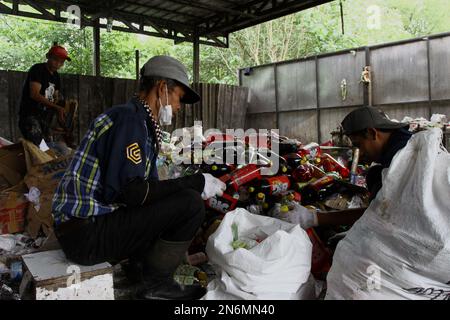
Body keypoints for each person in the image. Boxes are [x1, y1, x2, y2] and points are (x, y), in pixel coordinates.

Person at [52, 55, 226, 300]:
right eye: (178, 98)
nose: (178, 107)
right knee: (190, 203)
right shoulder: (129, 120)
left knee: (171, 199)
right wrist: (195, 182)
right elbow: (132, 193)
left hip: (86, 230)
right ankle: (156, 284)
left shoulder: (141, 123)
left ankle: (138, 270)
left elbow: (149, 191)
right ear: (162, 88)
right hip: (85, 235)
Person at [283, 106, 412, 229]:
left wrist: (314, 218)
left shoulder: (403, 155)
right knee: (374, 174)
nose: (359, 154)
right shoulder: (400, 144)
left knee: (375, 177)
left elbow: (381, 214)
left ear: (372, 133)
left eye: (359, 145)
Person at [18, 45, 70, 146]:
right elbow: (34, 94)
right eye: (55, 59)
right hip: (30, 116)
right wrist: (57, 108)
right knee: (40, 146)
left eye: (61, 62)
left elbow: (55, 96)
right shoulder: (37, 69)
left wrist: (60, 106)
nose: (58, 64)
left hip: (44, 119)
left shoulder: (56, 76)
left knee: (48, 146)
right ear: (48, 57)